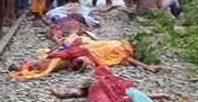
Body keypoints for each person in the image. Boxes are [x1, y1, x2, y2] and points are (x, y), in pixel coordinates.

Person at [50, 65, 189, 102]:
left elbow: (69, 94)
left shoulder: (96, 85)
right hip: (125, 95)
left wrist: (160, 95)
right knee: (139, 101)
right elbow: (71, 93)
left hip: (121, 96)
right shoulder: (101, 84)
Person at [10, 34, 161, 79]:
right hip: (88, 55)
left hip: (84, 51)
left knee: (56, 59)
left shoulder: (113, 43)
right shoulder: (122, 52)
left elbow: (96, 43)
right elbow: (130, 60)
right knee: (58, 63)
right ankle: (27, 67)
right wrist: (149, 68)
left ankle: (28, 65)